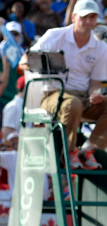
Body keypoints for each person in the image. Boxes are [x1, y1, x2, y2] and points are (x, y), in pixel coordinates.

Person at [22, 0, 107, 170]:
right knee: (72, 104)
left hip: (80, 97)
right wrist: (40, 65)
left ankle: (88, 149)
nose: (89, 22)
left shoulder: (101, 47)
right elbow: (24, 61)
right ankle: (68, 152)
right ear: (74, 17)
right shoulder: (55, 35)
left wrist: (95, 93)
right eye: (84, 17)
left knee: (81, 103)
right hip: (50, 93)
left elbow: (94, 84)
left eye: (92, 17)